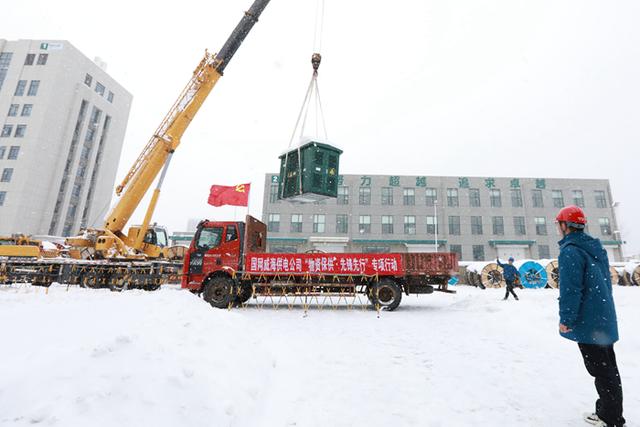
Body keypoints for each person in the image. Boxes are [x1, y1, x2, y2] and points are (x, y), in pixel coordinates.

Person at [556, 205, 625, 427]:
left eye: (559, 224)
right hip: (603, 318)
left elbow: (571, 289)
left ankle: (610, 418)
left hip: (589, 322)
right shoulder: (595, 248)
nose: (559, 228)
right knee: (608, 369)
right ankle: (610, 413)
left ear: (565, 225)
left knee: (601, 371)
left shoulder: (570, 251)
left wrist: (566, 319)